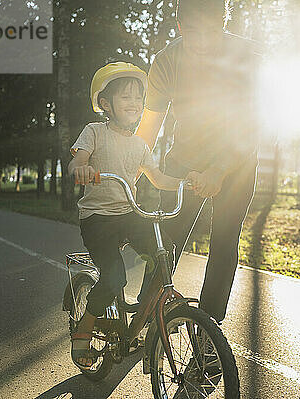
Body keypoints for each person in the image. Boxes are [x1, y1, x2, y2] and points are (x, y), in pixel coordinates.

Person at [136, 0, 261, 324]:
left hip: (237, 162)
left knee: (224, 241)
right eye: (194, 34)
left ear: (223, 24)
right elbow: (150, 126)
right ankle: (147, 315)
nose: (203, 42)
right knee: (167, 240)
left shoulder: (247, 57)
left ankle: (208, 333)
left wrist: (219, 170)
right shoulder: (166, 61)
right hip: (184, 160)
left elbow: (254, 124)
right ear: (180, 28)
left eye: (211, 32)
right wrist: (128, 169)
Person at [68, 62, 196, 369]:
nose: (134, 103)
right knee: (114, 277)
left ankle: (144, 311)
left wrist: (187, 181)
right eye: (125, 97)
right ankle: (85, 325)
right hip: (98, 219)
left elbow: (157, 177)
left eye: (138, 98)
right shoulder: (94, 132)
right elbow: (77, 163)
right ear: (105, 103)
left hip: (128, 213)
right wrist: (82, 170)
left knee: (163, 252)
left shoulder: (140, 144)